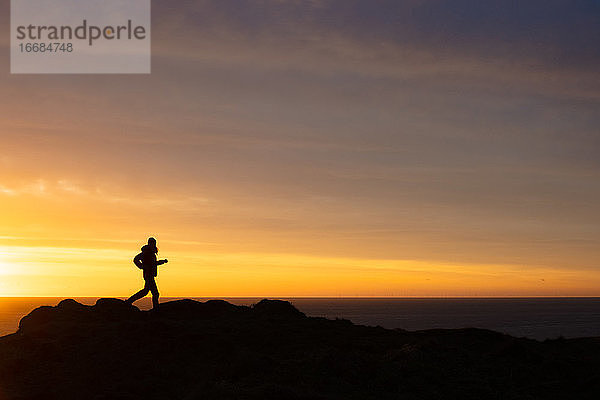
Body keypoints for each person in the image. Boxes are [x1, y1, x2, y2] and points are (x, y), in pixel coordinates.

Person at [126, 237, 168, 309]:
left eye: (154, 243)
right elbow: (136, 259)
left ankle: (129, 301)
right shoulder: (146, 252)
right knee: (155, 293)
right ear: (149, 243)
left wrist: (162, 261)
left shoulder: (151, 253)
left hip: (150, 274)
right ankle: (156, 308)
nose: (154, 244)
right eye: (152, 243)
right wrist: (142, 266)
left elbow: (154, 263)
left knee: (146, 291)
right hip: (148, 275)